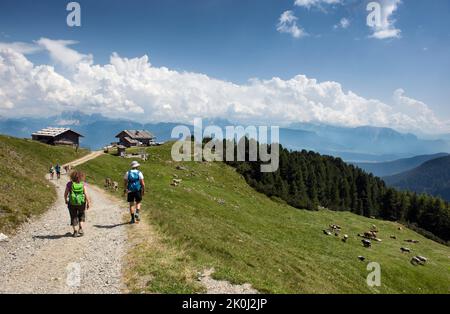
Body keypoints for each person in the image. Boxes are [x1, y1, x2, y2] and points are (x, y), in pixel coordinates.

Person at [64, 170, 90, 237]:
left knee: (73, 216)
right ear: (81, 177)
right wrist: (88, 203)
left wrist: (66, 200)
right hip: (81, 203)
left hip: (71, 203)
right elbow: (86, 194)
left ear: (72, 177)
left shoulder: (69, 184)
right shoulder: (83, 184)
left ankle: (75, 231)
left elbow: (65, 194)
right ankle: (80, 228)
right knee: (81, 215)